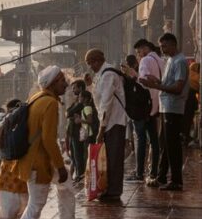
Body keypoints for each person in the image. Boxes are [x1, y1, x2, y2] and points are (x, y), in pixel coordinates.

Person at [3, 66, 85, 219]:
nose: (65, 84)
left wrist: (59, 168)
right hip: (38, 164)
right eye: (61, 81)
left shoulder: (37, 98)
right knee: (36, 205)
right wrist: (58, 166)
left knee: (65, 184)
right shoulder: (49, 103)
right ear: (52, 84)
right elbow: (48, 140)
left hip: (36, 160)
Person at [141, 32, 190, 191]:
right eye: (161, 46)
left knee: (173, 145)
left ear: (173, 44)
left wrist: (157, 86)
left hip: (173, 108)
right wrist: (157, 82)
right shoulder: (169, 61)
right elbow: (168, 83)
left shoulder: (180, 61)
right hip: (165, 106)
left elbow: (178, 87)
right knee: (165, 143)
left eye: (164, 46)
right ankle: (161, 176)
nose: (162, 49)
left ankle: (176, 180)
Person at [87, 49, 128, 203]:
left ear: (97, 60)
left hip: (114, 121)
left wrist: (101, 129)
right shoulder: (102, 75)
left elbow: (106, 104)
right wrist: (90, 86)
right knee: (109, 158)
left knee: (115, 158)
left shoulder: (108, 74)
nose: (90, 67)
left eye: (91, 63)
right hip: (109, 122)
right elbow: (99, 98)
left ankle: (114, 191)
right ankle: (108, 188)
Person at [133, 39, 164, 183]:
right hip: (157, 105)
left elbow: (143, 80)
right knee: (154, 141)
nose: (139, 55)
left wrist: (133, 75)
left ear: (145, 48)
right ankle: (154, 171)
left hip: (145, 105)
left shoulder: (145, 60)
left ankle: (139, 173)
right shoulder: (160, 60)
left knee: (141, 139)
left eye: (139, 51)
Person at [66, 87, 98, 183]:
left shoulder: (87, 107)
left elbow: (90, 120)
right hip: (87, 135)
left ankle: (84, 176)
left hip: (89, 135)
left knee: (86, 156)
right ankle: (84, 175)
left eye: (80, 97)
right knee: (84, 155)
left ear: (85, 98)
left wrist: (80, 120)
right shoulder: (85, 107)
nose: (79, 98)